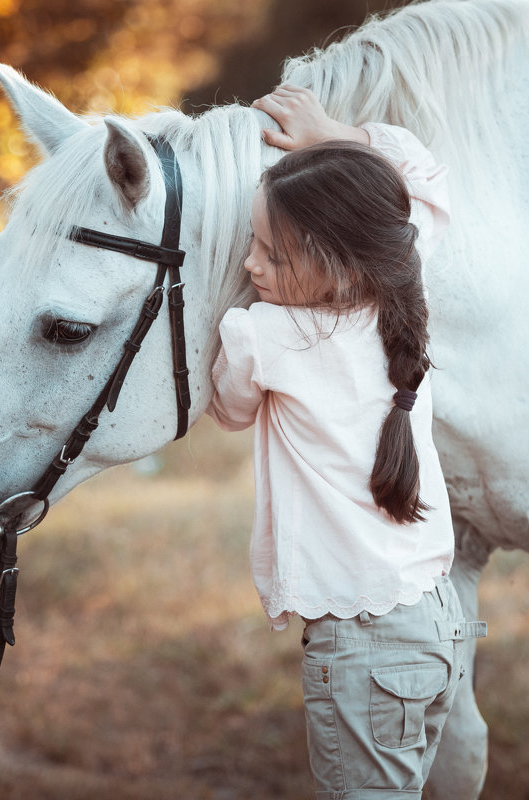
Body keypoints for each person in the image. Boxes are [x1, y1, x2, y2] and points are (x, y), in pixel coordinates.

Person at [207, 84, 484, 799]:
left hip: (363, 649)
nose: (250, 267)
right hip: (437, 624)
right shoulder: (400, 287)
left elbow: (229, 410)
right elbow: (424, 178)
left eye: (271, 253)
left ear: (332, 264)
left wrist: (236, 327)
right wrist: (335, 134)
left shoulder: (264, 336)